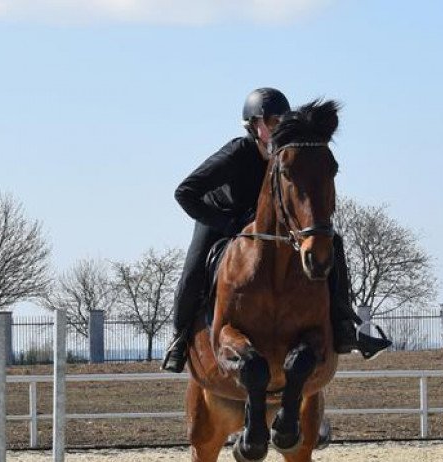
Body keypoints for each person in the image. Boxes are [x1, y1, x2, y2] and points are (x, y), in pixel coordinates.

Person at [162, 87, 391, 373]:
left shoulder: (287, 155)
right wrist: (228, 224)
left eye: (281, 122)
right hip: (221, 217)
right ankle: (179, 338)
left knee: (332, 242)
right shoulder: (237, 153)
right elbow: (185, 192)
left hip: (263, 224)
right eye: (271, 123)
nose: (277, 128)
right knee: (194, 269)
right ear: (253, 125)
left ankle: (344, 326)